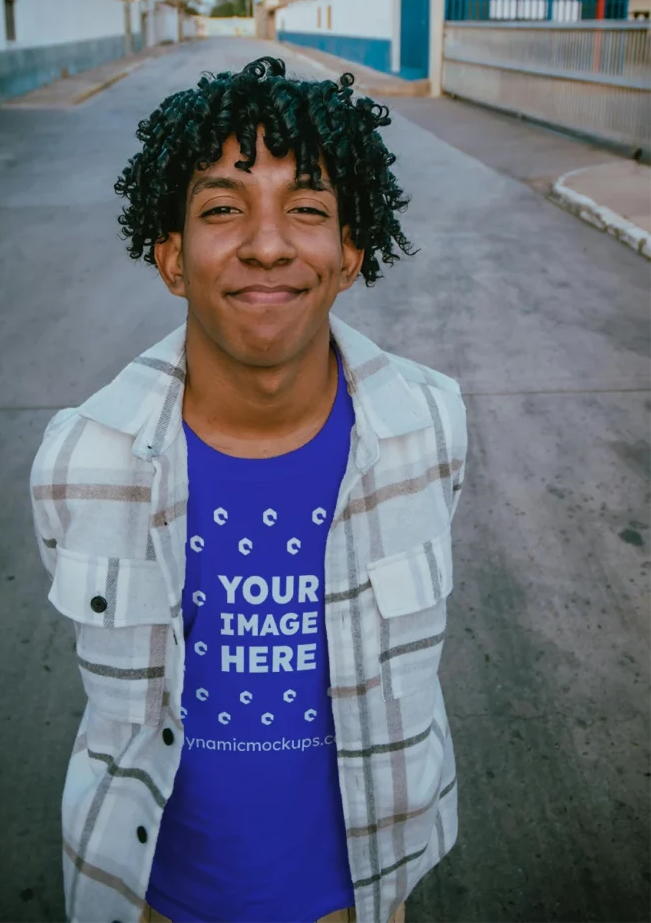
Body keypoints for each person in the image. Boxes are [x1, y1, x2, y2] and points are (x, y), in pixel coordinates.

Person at [30, 56, 467, 923]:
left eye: (307, 209)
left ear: (349, 253)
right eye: (222, 209)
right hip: (151, 899)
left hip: (361, 896)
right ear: (171, 258)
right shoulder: (83, 459)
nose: (267, 243)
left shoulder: (429, 426)